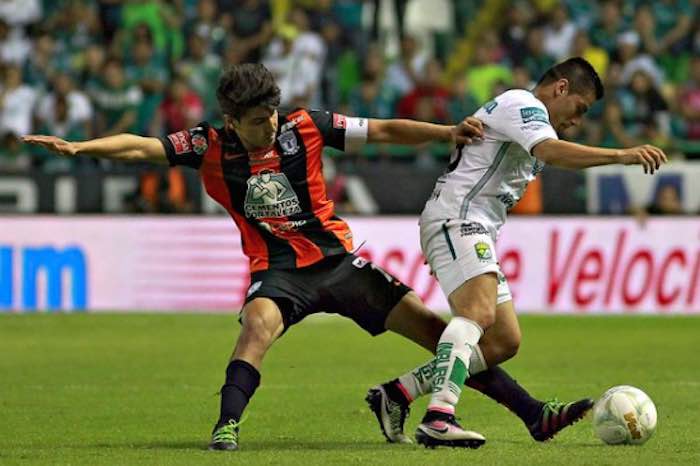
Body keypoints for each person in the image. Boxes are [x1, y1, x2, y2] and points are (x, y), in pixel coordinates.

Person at [22, 63, 486, 451]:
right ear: (232, 121)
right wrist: (81, 147)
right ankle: (226, 426)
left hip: (336, 260)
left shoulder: (306, 124)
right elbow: (144, 147)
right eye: (259, 121)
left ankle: (527, 412)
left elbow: (382, 129)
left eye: (273, 115)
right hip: (278, 269)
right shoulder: (206, 144)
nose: (271, 126)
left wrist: (448, 131)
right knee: (256, 328)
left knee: (437, 330)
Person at [370, 57, 667, 449]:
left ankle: (399, 392)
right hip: (458, 218)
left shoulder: (528, 117)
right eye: (580, 108)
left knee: (502, 341)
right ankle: (440, 415)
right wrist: (621, 155)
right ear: (560, 88)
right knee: (477, 314)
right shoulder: (521, 105)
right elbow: (553, 152)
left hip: (472, 226)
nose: (577, 119)